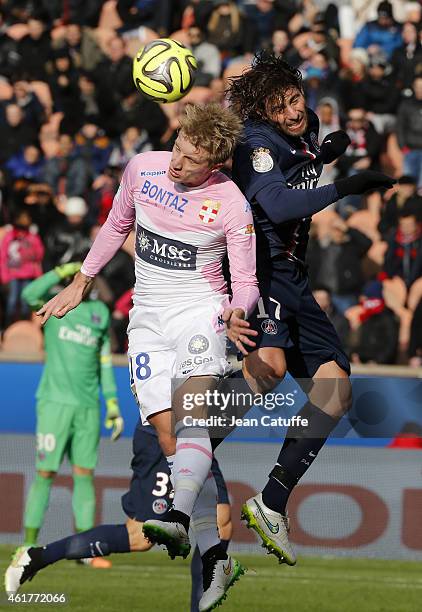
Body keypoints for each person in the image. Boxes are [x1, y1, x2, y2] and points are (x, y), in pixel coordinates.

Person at [21, 103, 259, 610]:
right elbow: (114, 226)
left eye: (192, 159)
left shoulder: (232, 204)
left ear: (214, 162)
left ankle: (177, 520)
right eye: (178, 147)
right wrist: (81, 282)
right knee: (166, 428)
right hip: (147, 316)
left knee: (192, 414)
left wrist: (238, 312)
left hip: (201, 310)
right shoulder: (143, 168)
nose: (177, 162)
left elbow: (245, 280)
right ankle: (209, 550)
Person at [227, 52, 394, 566]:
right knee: (269, 368)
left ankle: (271, 501)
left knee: (336, 387)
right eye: (281, 106)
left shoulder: (304, 127)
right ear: (262, 111)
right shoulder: (255, 144)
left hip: (293, 273)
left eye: (296, 98)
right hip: (265, 263)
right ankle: (185, 449)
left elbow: (300, 166)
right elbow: (276, 205)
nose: (294, 111)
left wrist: (323, 154)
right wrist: (341, 184)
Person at [6, 418, 232, 612]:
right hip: (164, 434)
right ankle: (36, 557)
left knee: (220, 523)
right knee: (139, 536)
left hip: (195, 435)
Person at [8, 263, 123, 567]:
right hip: (54, 403)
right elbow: (30, 293)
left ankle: (83, 550)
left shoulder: (99, 314)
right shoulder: (56, 304)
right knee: (45, 473)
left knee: (85, 475)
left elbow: (104, 362)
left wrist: (112, 404)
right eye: (79, 276)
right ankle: (28, 546)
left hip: (87, 407)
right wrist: (61, 272)